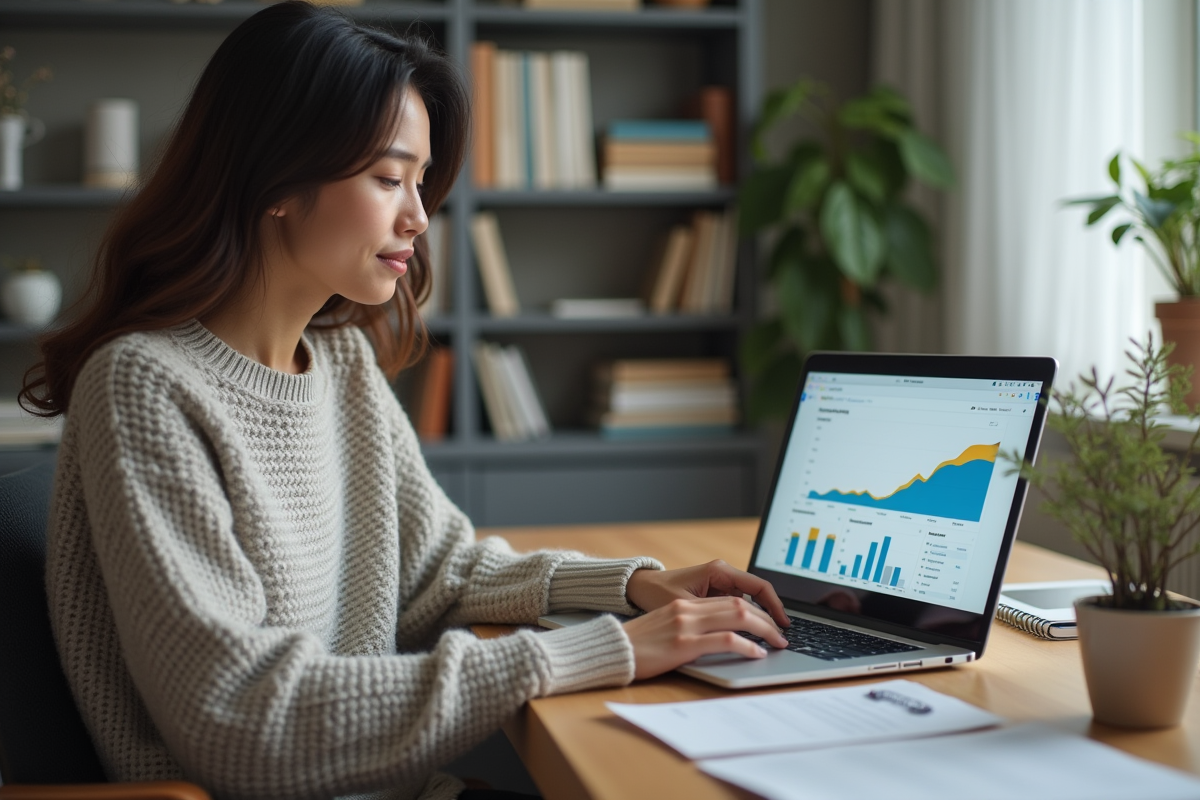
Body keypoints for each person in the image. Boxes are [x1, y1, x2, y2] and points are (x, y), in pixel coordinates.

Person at [22, 4, 790, 799]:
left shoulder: (342, 362)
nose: (419, 217)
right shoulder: (145, 386)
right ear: (275, 180)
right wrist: (609, 649)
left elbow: (439, 572)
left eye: (421, 182)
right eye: (389, 178)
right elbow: (241, 718)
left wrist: (634, 585)